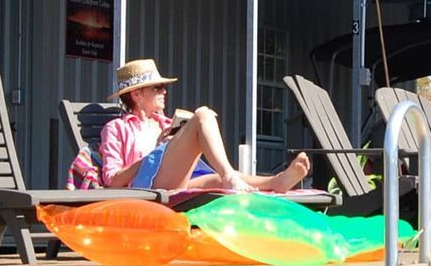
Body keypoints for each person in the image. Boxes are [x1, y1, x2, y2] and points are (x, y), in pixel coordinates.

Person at [100, 57, 310, 193]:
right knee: (202, 115)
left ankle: (276, 182)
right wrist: (154, 156)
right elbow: (112, 180)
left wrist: (174, 144)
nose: (164, 91)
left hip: (177, 182)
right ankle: (231, 176)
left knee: (215, 181)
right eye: (157, 87)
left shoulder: (164, 124)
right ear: (136, 94)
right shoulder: (117, 129)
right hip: (145, 188)